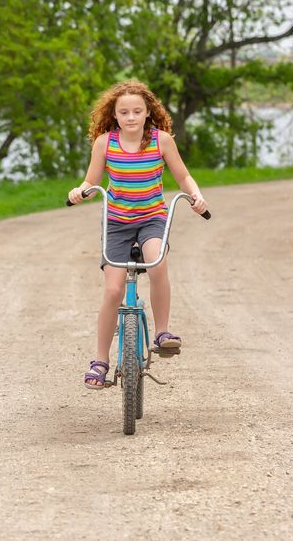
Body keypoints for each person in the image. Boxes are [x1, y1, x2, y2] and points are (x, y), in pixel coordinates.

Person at [67, 79, 209, 389]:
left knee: (157, 262)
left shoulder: (161, 141)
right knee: (113, 290)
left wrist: (196, 196)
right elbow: (91, 182)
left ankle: (162, 333)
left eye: (137, 111)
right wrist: (80, 191)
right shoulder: (105, 143)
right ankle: (100, 361)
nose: (131, 117)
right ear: (114, 115)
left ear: (148, 113)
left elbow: (183, 176)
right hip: (117, 222)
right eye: (124, 112)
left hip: (152, 219)